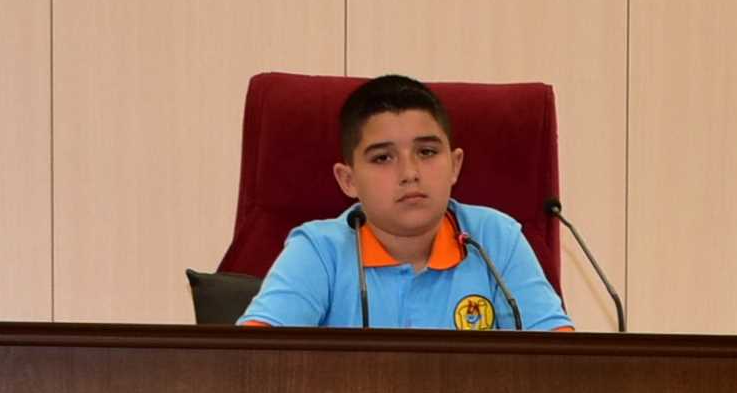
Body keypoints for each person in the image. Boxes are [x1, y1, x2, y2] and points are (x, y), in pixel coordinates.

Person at [234, 74, 572, 330]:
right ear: (348, 180)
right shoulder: (321, 250)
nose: (410, 173)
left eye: (427, 152)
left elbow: (560, 360)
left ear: (455, 165)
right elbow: (252, 358)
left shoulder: (495, 240)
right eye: (383, 158)